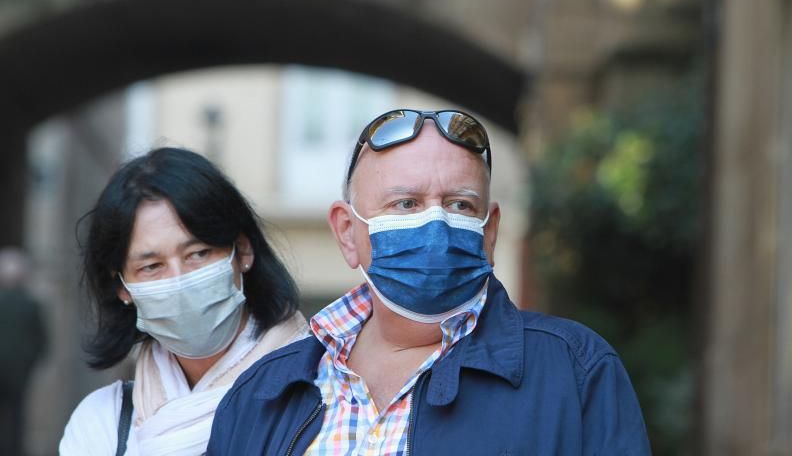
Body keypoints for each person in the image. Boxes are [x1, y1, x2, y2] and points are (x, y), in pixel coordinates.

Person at [207, 109, 652, 455]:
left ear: (489, 231)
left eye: (459, 204)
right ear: (347, 232)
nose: (434, 222)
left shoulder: (575, 372)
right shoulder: (262, 394)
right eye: (405, 203)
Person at [60, 147, 308, 455]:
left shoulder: (323, 393)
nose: (177, 279)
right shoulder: (103, 422)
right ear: (122, 288)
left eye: (198, 254)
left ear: (242, 251)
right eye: (151, 266)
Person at [0, 247, 48, 456]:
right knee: (17, 415)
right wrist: (30, 362)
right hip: (20, 371)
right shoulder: (31, 304)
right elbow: (42, 341)